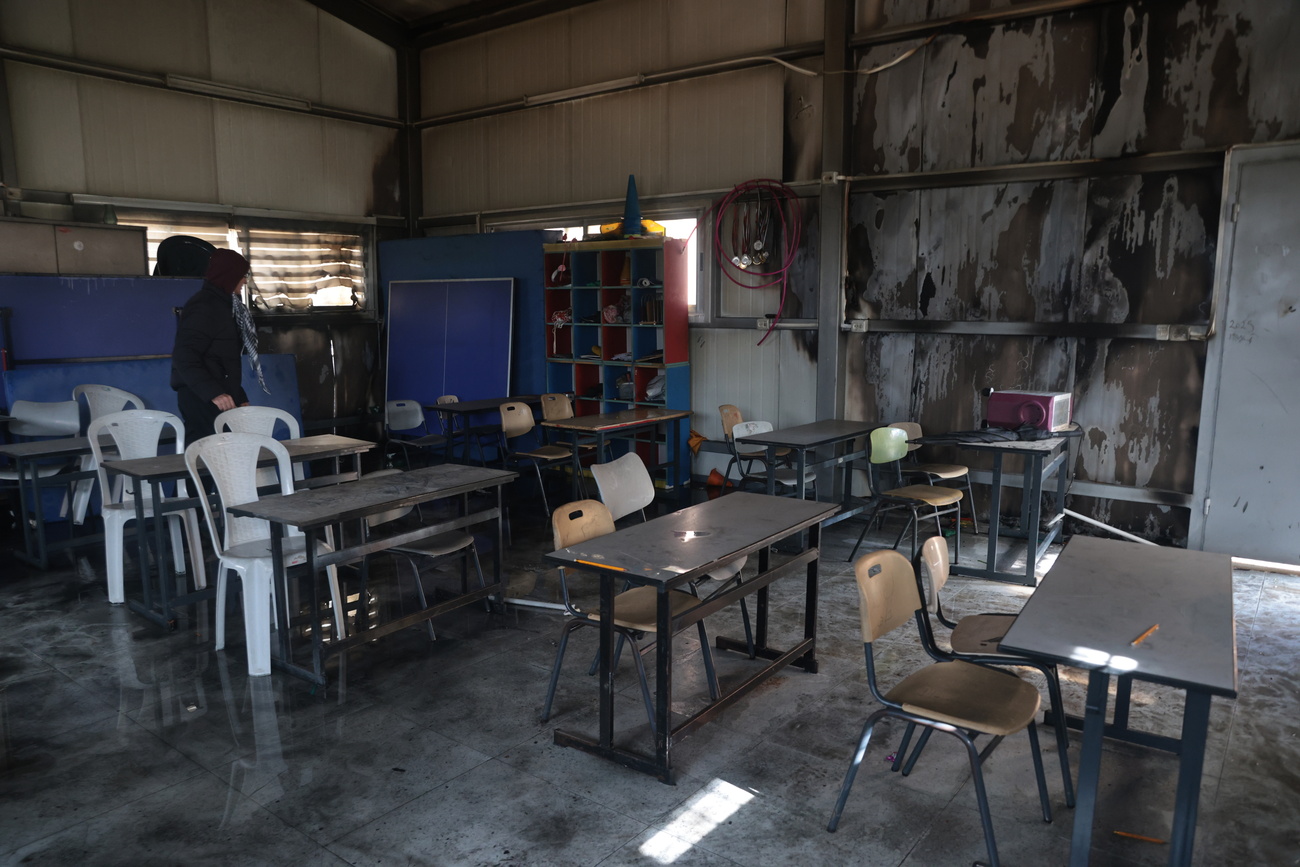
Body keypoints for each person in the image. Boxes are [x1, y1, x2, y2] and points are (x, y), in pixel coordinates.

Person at [170, 248, 266, 441]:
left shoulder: (225, 305)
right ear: (228, 276)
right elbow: (184, 357)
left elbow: (222, 361)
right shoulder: (204, 307)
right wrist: (214, 393)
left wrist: (238, 395)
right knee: (209, 453)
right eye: (243, 275)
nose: (245, 281)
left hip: (217, 395)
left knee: (226, 451)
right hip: (202, 397)